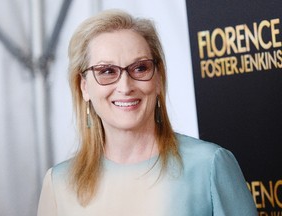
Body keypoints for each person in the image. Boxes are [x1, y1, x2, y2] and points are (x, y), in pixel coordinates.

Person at [37, 9, 258, 216]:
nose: (125, 86)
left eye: (140, 68)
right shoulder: (59, 184)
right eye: (106, 71)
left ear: (158, 78)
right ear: (84, 86)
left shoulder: (209, 166)